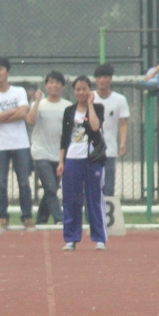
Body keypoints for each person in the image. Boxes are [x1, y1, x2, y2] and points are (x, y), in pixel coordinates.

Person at [0, 57, 33, 229]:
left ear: (8, 72)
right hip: (0, 146)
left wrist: (2, 116)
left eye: (1, 69)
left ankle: (27, 216)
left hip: (20, 144)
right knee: (1, 183)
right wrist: (12, 111)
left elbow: (23, 113)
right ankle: (2, 216)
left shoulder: (19, 92)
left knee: (24, 182)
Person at [58, 76, 107, 251]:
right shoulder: (69, 111)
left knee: (94, 199)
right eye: (78, 89)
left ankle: (99, 238)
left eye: (84, 89)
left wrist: (91, 105)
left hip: (92, 159)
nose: (81, 93)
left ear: (90, 90)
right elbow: (64, 137)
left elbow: (95, 127)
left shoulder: (98, 108)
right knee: (71, 200)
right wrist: (61, 161)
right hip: (72, 159)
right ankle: (71, 238)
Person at [27, 71, 70, 226]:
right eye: (51, 82)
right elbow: (30, 120)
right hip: (41, 152)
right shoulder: (39, 104)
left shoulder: (68, 106)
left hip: (59, 154)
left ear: (63, 86)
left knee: (50, 188)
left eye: (58, 82)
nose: (54, 85)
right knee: (50, 187)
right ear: (46, 86)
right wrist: (37, 102)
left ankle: (41, 219)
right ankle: (60, 219)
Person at [92, 63, 130, 196]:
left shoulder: (120, 99)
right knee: (91, 187)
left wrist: (123, 142)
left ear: (110, 79)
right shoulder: (89, 98)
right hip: (90, 150)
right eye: (99, 77)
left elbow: (123, 123)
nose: (102, 80)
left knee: (108, 188)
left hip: (109, 150)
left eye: (105, 77)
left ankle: (106, 216)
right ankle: (91, 216)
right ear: (95, 79)